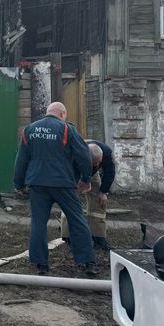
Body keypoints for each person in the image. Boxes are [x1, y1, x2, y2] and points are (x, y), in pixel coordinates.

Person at [14, 102, 97, 276]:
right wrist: (86, 179)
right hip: (63, 184)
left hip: (37, 184)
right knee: (77, 219)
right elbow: (83, 155)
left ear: (47, 113)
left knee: (38, 222)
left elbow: (21, 159)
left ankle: (40, 265)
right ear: (62, 113)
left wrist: (19, 183)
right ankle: (87, 262)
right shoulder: (67, 129)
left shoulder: (30, 130)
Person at [61, 140, 116, 251]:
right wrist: (75, 187)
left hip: (92, 173)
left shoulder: (107, 154)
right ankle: (68, 235)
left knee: (99, 201)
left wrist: (103, 192)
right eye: (94, 162)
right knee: (69, 201)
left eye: (99, 162)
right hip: (74, 172)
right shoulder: (74, 153)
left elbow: (110, 172)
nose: (97, 165)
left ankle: (98, 236)